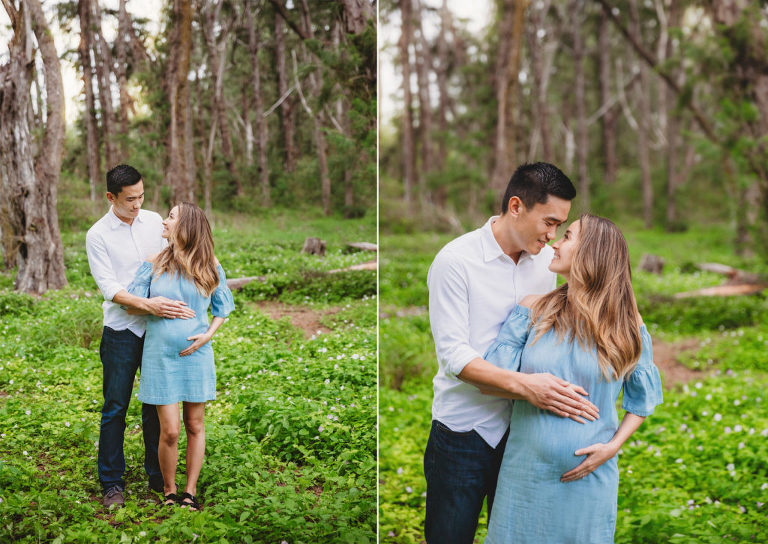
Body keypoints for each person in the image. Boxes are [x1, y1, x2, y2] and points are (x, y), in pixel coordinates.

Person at [424, 162, 600, 543]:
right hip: (463, 433)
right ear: (516, 206)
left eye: (560, 226)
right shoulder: (455, 262)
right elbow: (455, 357)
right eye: (548, 222)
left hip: (524, 434)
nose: (553, 236)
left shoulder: (545, 263)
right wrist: (527, 385)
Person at [484, 214, 663, 543]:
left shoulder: (626, 323)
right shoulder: (532, 309)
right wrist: (530, 389)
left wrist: (612, 447)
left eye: (567, 237)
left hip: (589, 481)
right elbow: (493, 378)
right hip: (525, 475)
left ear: (593, 252)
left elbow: (642, 400)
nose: (554, 243)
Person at [86, 164, 196, 508]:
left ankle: (156, 475)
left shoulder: (154, 222)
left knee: (155, 405)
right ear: (111, 197)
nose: (138, 204)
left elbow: (181, 254)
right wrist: (149, 304)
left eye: (142, 195)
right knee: (115, 407)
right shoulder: (98, 235)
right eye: (130, 199)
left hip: (158, 332)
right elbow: (110, 288)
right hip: (121, 331)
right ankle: (111, 482)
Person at [126, 202, 234, 511]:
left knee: (195, 425)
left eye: (171, 216)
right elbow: (131, 304)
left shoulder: (208, 264)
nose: (164, 220)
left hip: (196, 355)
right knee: (170, 430)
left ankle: (190, 491)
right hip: (160, 356)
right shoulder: (154, 261)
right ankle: (169, 490)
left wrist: (209, 334)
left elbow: (222, 307)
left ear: (186, 226)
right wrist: (154, 303)